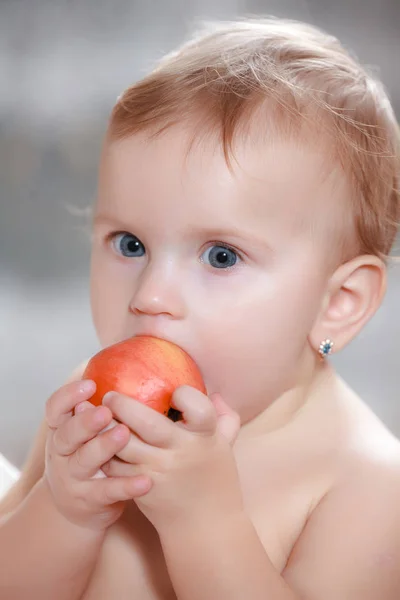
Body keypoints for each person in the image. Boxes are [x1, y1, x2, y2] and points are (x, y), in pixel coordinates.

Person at [1, 17, 400, 600]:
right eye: (130, 244)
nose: (150, 296)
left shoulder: (366, 487)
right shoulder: (89, 412)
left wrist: (205, 525)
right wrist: (65, 512)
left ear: (337, 303)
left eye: (220, 256)